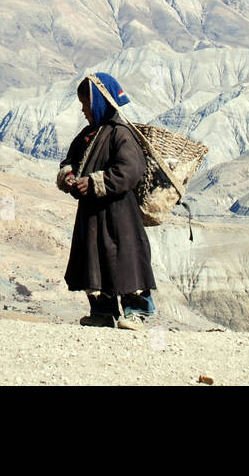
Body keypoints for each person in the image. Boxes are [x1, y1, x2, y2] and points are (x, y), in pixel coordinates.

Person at [57, 72, 156, 330]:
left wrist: (94, 182)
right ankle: (102, 311)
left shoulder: (121, 134)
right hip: (91, 215)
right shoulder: (88, 135)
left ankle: (135, 312)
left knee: (125, 261)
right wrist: (68, 176)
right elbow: (69, 161)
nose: (83, 110)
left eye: (87, 104)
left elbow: (130, 171)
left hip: (119, 216)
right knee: (95, 262)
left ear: (100, 102)